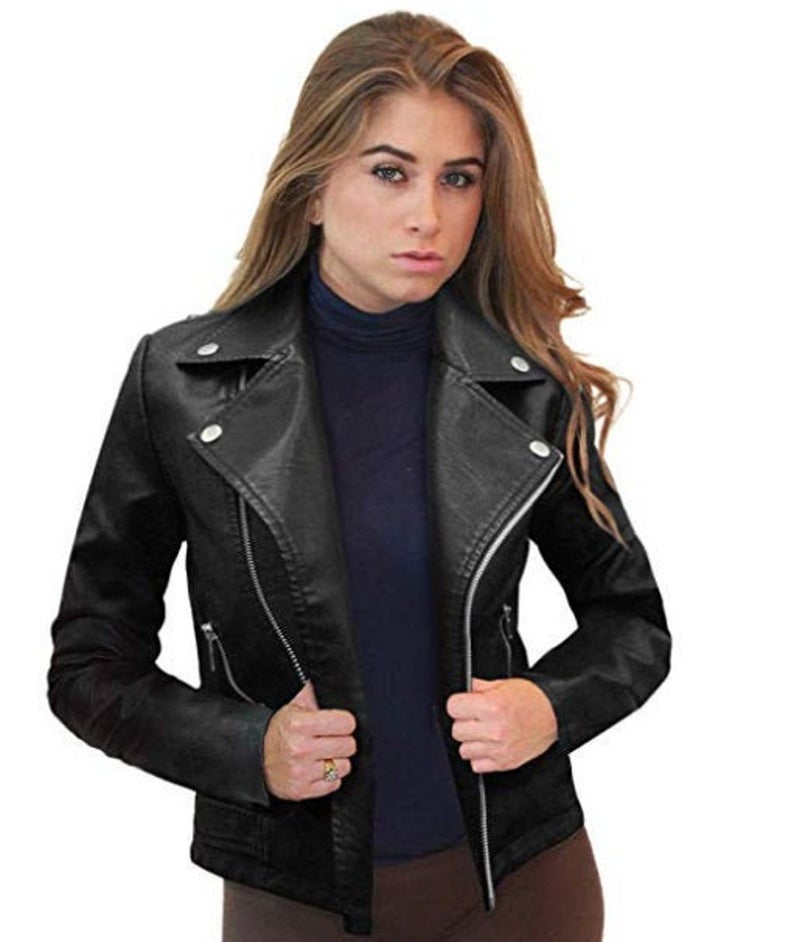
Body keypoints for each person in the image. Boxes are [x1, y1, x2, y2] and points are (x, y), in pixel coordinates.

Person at [47, 11, 671, 941]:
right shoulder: (179, 385)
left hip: (521, 882)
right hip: (295, 896)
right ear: (312, 188)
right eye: (389, 172)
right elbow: (89, 665)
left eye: (458, 178)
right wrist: (248, 748)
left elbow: (632, 622)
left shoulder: (524, 386)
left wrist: (550, 706)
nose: (428, 215)